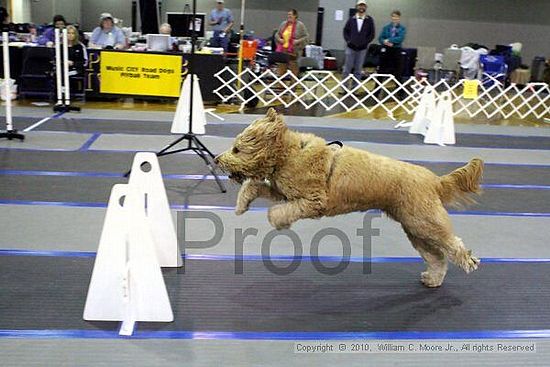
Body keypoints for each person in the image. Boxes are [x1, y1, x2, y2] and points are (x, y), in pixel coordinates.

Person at [342, 0, 375, 90]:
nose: (361, 7)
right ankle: (344, 88)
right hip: (350, 48)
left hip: (362, 49)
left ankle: (355, 89)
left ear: (366, 7)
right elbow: (345, 31)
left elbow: (372, 34)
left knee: (358, 70)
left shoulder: (370, 20)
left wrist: (365, 42)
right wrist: (348, 41)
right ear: (357, 7)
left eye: (363, 6)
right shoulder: (351, 19)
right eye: (360, 5)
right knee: (346, 69)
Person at [274, 9, 309, 76]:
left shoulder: (300, 25)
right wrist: (279, 39)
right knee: (281, 70)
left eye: (290, 14)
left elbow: (306, 37)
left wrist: (298, 41)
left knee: (294, 71)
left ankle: (293, 85)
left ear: (295, 15)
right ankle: (281, 85)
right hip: (283, 50)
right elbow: (277, 34)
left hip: (294, 51)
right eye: (288, 14)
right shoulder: (283, 24)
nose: (288, 16)